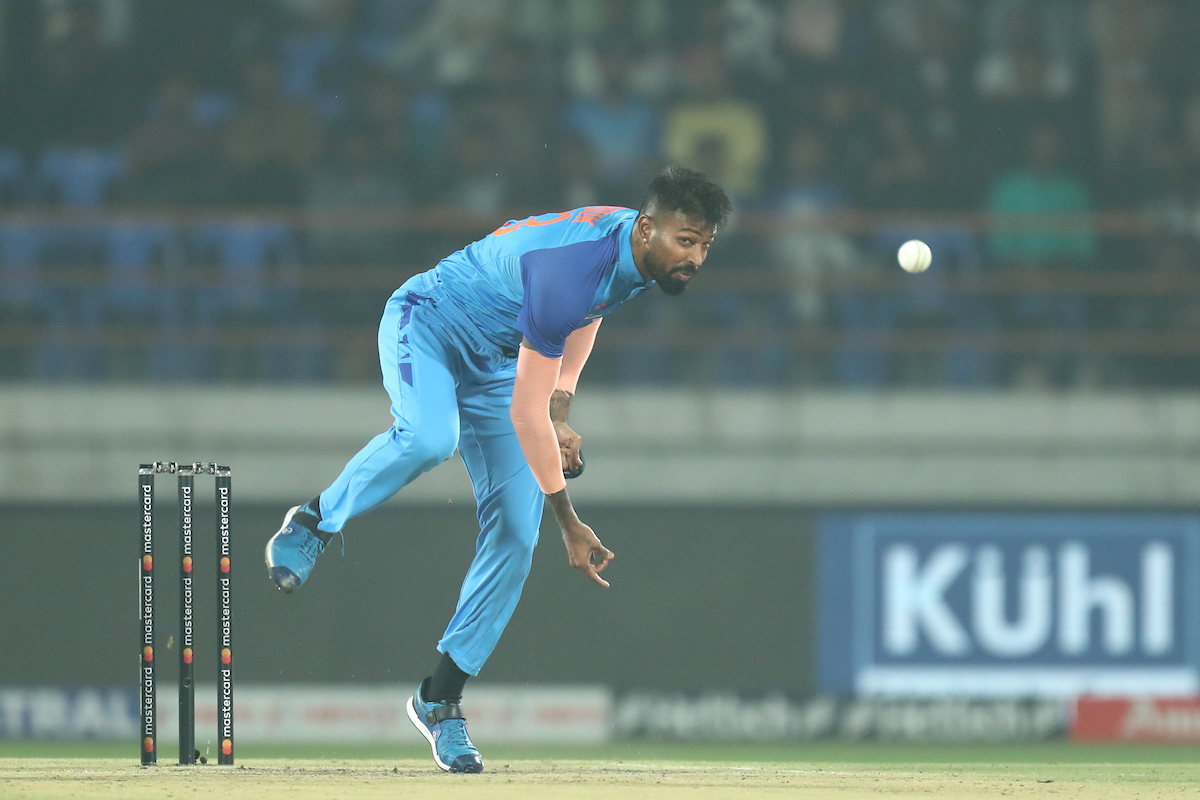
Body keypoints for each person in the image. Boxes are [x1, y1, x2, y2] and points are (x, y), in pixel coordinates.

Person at [264, 167, 732, 773]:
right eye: (686, 241)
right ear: (647, 228)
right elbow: (527, 412)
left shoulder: (638, 252)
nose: (695, 258)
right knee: (430, 439)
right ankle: (314, 522)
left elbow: (589, 313)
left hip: (497, 364)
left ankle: (439, 701)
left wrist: (561, 408)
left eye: (704, 245)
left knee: (514, 531)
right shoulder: (574, 267)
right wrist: (569, 521)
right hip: (429, 323)